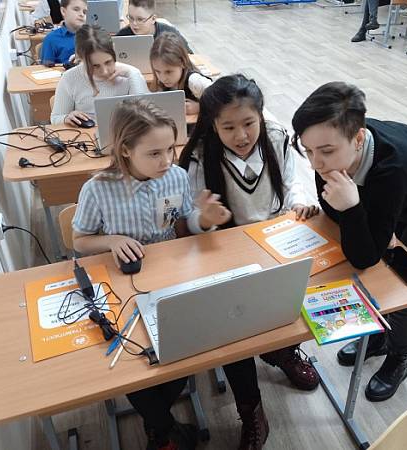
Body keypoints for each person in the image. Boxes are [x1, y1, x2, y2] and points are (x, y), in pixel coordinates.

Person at [73, 98, 271, 450]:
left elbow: (181, 225)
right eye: (154, 153)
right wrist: (112, 240)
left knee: (199, 337)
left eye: (170, 149)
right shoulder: (98, 188)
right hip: (126, 286)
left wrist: (203, 220)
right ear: (125, 150)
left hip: (173, 277)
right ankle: (163, 428)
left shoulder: (175, 177)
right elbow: (79, 240)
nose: (166, 160)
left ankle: (162, 429)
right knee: (132, 360)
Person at [291, 82, 407, 402]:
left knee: (403, 289)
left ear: (358, 139)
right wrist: (357, 216)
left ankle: (400, 358)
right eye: (308, 150)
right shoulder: (330, 150)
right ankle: (378, 337)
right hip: (403, 197)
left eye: (326, 151)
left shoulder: (393, 169)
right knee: (377, 275)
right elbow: (335, 215)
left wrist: (354, 208)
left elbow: (364, 257)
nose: (316, 163)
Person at [179, 74, 321, 394]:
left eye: (248, 123)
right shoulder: (200, 156)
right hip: (227, 249)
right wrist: (205, 220)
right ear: (213, 125)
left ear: (260, 116)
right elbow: (190, 223)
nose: (241, 135)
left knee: (288, 302)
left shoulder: (275, 136)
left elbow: (291, 181)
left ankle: (283, 352)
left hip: (274, 239)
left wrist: (299, 202)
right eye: (228, 127)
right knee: (233, 329)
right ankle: (249, 405)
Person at [50, 24, 149, 126]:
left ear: (114, 49)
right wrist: (66, 118)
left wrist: (133, 73)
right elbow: (55, 118)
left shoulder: (130, 75)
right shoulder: (69, 78)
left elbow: (147, 117)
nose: (104, 71)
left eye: (108, 62)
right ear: (80, 57)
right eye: (95, 66)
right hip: (86, 134)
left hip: (123, 133)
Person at [150, 32, 211, 116]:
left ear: (182, 63)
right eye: (157, 71)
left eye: (168, 72)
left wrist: (199, 107)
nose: (163, 78)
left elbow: (223, 100)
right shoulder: (161, 82)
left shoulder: (195, 81)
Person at [116, 0, 193, 53]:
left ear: (153, 19)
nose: (134, 23)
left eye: (140, 19)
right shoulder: (122, 36)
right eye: (131, 18)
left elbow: (189, 56)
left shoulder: (170, 34)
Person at [41, 0, 87, 65]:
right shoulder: (51, 39)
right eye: (76, 9)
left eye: (84, 12)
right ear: (63, 11)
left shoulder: (91, 36)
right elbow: (46, 68)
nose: (82, 14)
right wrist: (70, 64)